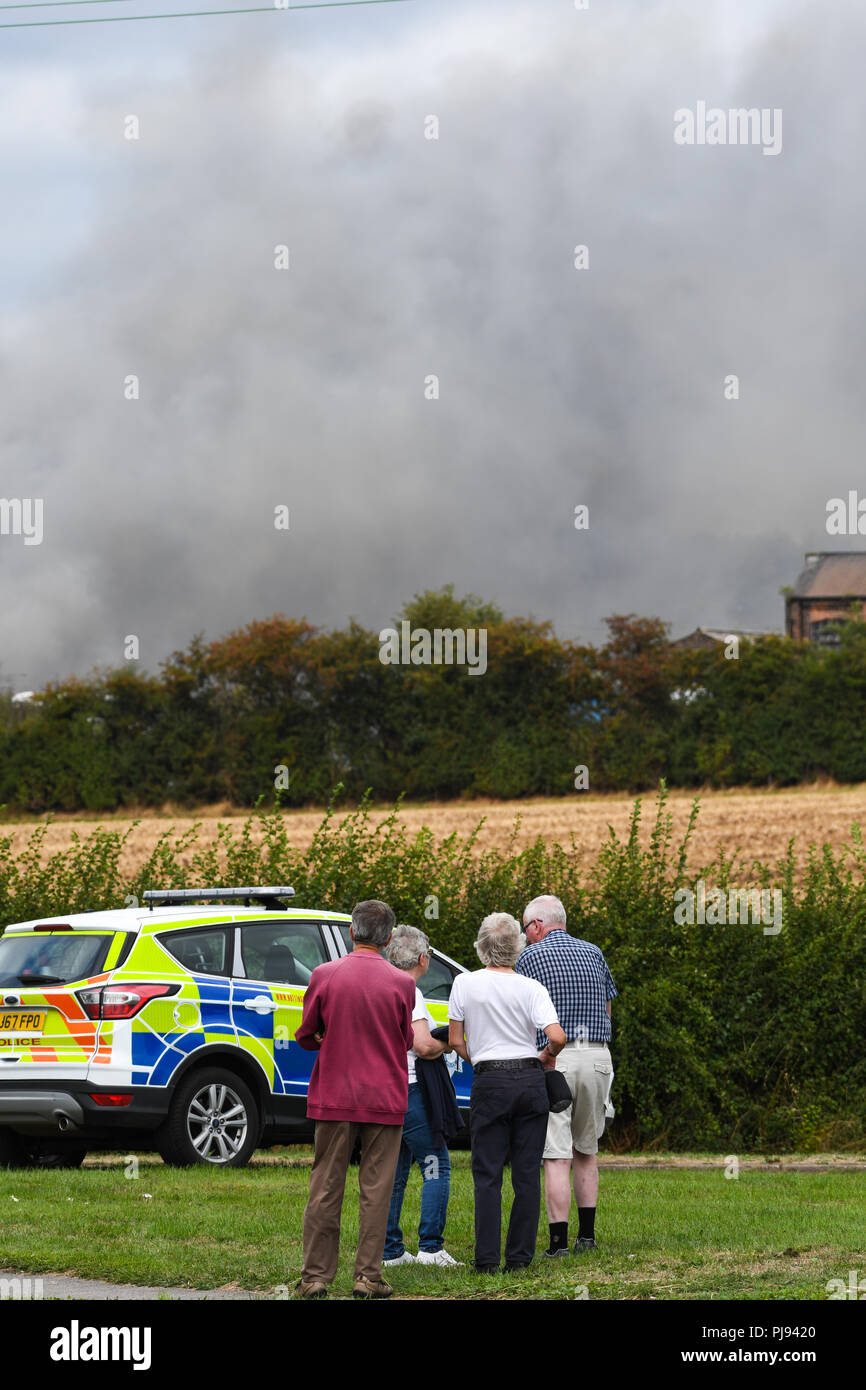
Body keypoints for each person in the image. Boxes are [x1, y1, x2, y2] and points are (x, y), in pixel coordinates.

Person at [294, 899, 415, 1300]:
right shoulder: (403, 983)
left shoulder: (324, 975)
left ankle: (315, 1276)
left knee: (326, 1185)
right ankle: (368, 1276)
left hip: (334, 1094)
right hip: (384, 1096)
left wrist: (327, 1038)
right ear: (389, 938)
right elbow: (405, 1039)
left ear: (351, 932)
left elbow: (306, 1034)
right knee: (377, 1189)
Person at [448, 912, 566, 1273]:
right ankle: (519, 1258)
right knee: (527, 1172)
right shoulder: (532, 988)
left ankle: (486, 1260)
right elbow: (558, 1036)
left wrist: (481, 1060)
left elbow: (455, 1040)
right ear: (517, 947)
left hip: (490, 1081)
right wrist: (545, 1055)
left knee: (487, 1173)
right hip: (530, 1081)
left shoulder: (464, 984)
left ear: (482, 948)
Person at [516, 893, 617, 1257]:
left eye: (526, 927)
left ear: (538, 925)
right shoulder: (594, 952)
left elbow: (522, 1013)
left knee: (556, 1154)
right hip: (597, 1055)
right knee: (586, 1150)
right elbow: (607, 1007)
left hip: (555, 1057)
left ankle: (557, 1244)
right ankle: (587, 1238)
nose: (525, 935)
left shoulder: (529, 956)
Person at [382, 925, 463, 1269]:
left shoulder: (383, 984)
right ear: (423, 959)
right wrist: (451, 1038)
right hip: (412, 1087)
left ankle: (389, 1250)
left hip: (388, 1086)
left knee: (396, 1170)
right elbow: (423, 1045)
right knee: (436, 1164)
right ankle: (431, 1247)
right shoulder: (409, 991)